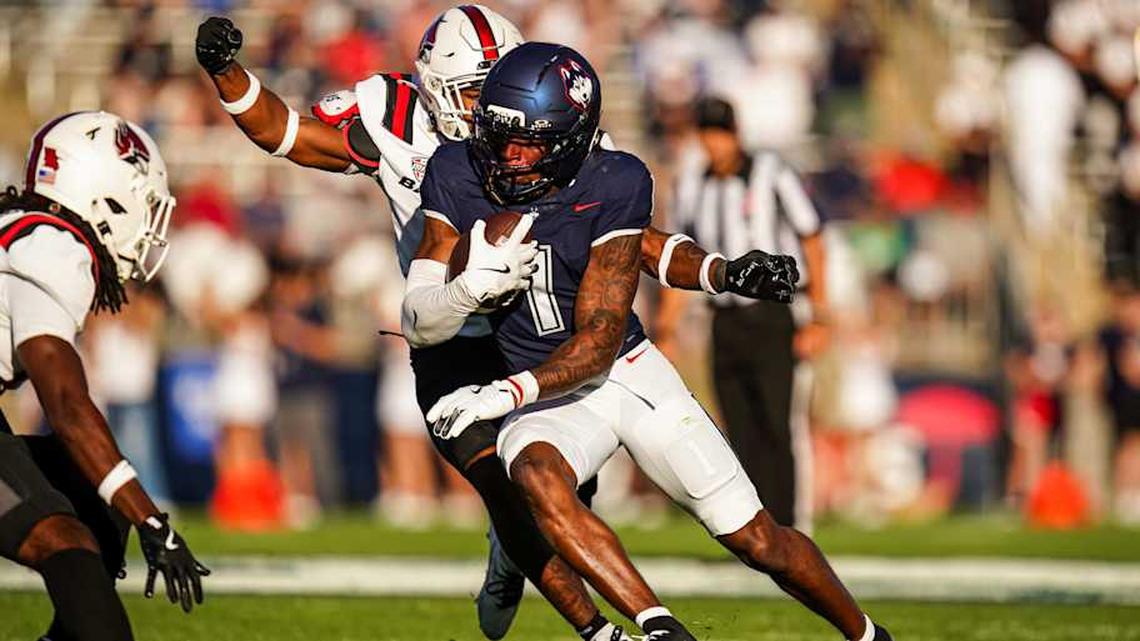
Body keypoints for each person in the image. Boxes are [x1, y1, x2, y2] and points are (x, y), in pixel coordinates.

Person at [196, 8, 790, 641]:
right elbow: (284, 132)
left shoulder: (542, 120)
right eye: (476, 91)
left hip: (536, 334)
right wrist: (227, 70)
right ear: (433, 87)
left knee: (559, 495)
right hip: (450, 338)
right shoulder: (393, 115)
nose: (493, 109)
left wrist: (716, 270)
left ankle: (555, 569)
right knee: (507, 495)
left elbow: (624, 237)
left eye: (498, 85)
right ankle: (602, 630)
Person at [410, 42, 891, 641]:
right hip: (543, 400)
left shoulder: (614, 178)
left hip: (624, 375)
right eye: (500, 134)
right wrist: (461, 295)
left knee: (756, 538)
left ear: (569, 139)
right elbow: (419, 315)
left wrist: (504, 394)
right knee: (532, 473)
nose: (509, 155)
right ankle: (660, 629)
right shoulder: (457, 171)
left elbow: (603, 335)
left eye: (529, 141)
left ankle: (869, 635)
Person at [0, 111, 209, 641]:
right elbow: (66, 406)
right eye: (143, 203)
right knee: (63, 537)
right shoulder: (54, 246)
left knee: (99, 497)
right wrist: (152, 521)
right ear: (104, 192)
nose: (147, 224)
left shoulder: (25, 232)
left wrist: (128, 503)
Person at [657, 96, 831, 528]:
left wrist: (819, 315)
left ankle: (789, 526)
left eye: (722, 133)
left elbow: (812, 238)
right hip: (725, 319)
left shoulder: (771, 174)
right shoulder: (693, 185)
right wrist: (667, 325)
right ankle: (755, 528)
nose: (716, 144)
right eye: (708, 134)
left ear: (735, 133)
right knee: (738, 426)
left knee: (777, 423)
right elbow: (684, 259)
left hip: (773, 314)